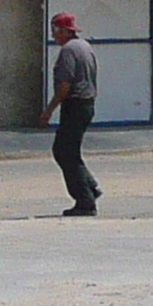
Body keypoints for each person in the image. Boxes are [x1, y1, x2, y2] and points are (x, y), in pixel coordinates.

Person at [46, 11, 101, 216]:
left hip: (75, 105)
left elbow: (64, 86)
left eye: (54, 31)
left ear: (62, 31)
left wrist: (49, 109)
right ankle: (90, 188)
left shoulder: (68, 51)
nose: (53, 36)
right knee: (69, 151)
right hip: (86, 105)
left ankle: (85, 201)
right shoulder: (85, 46)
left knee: (64, 152)